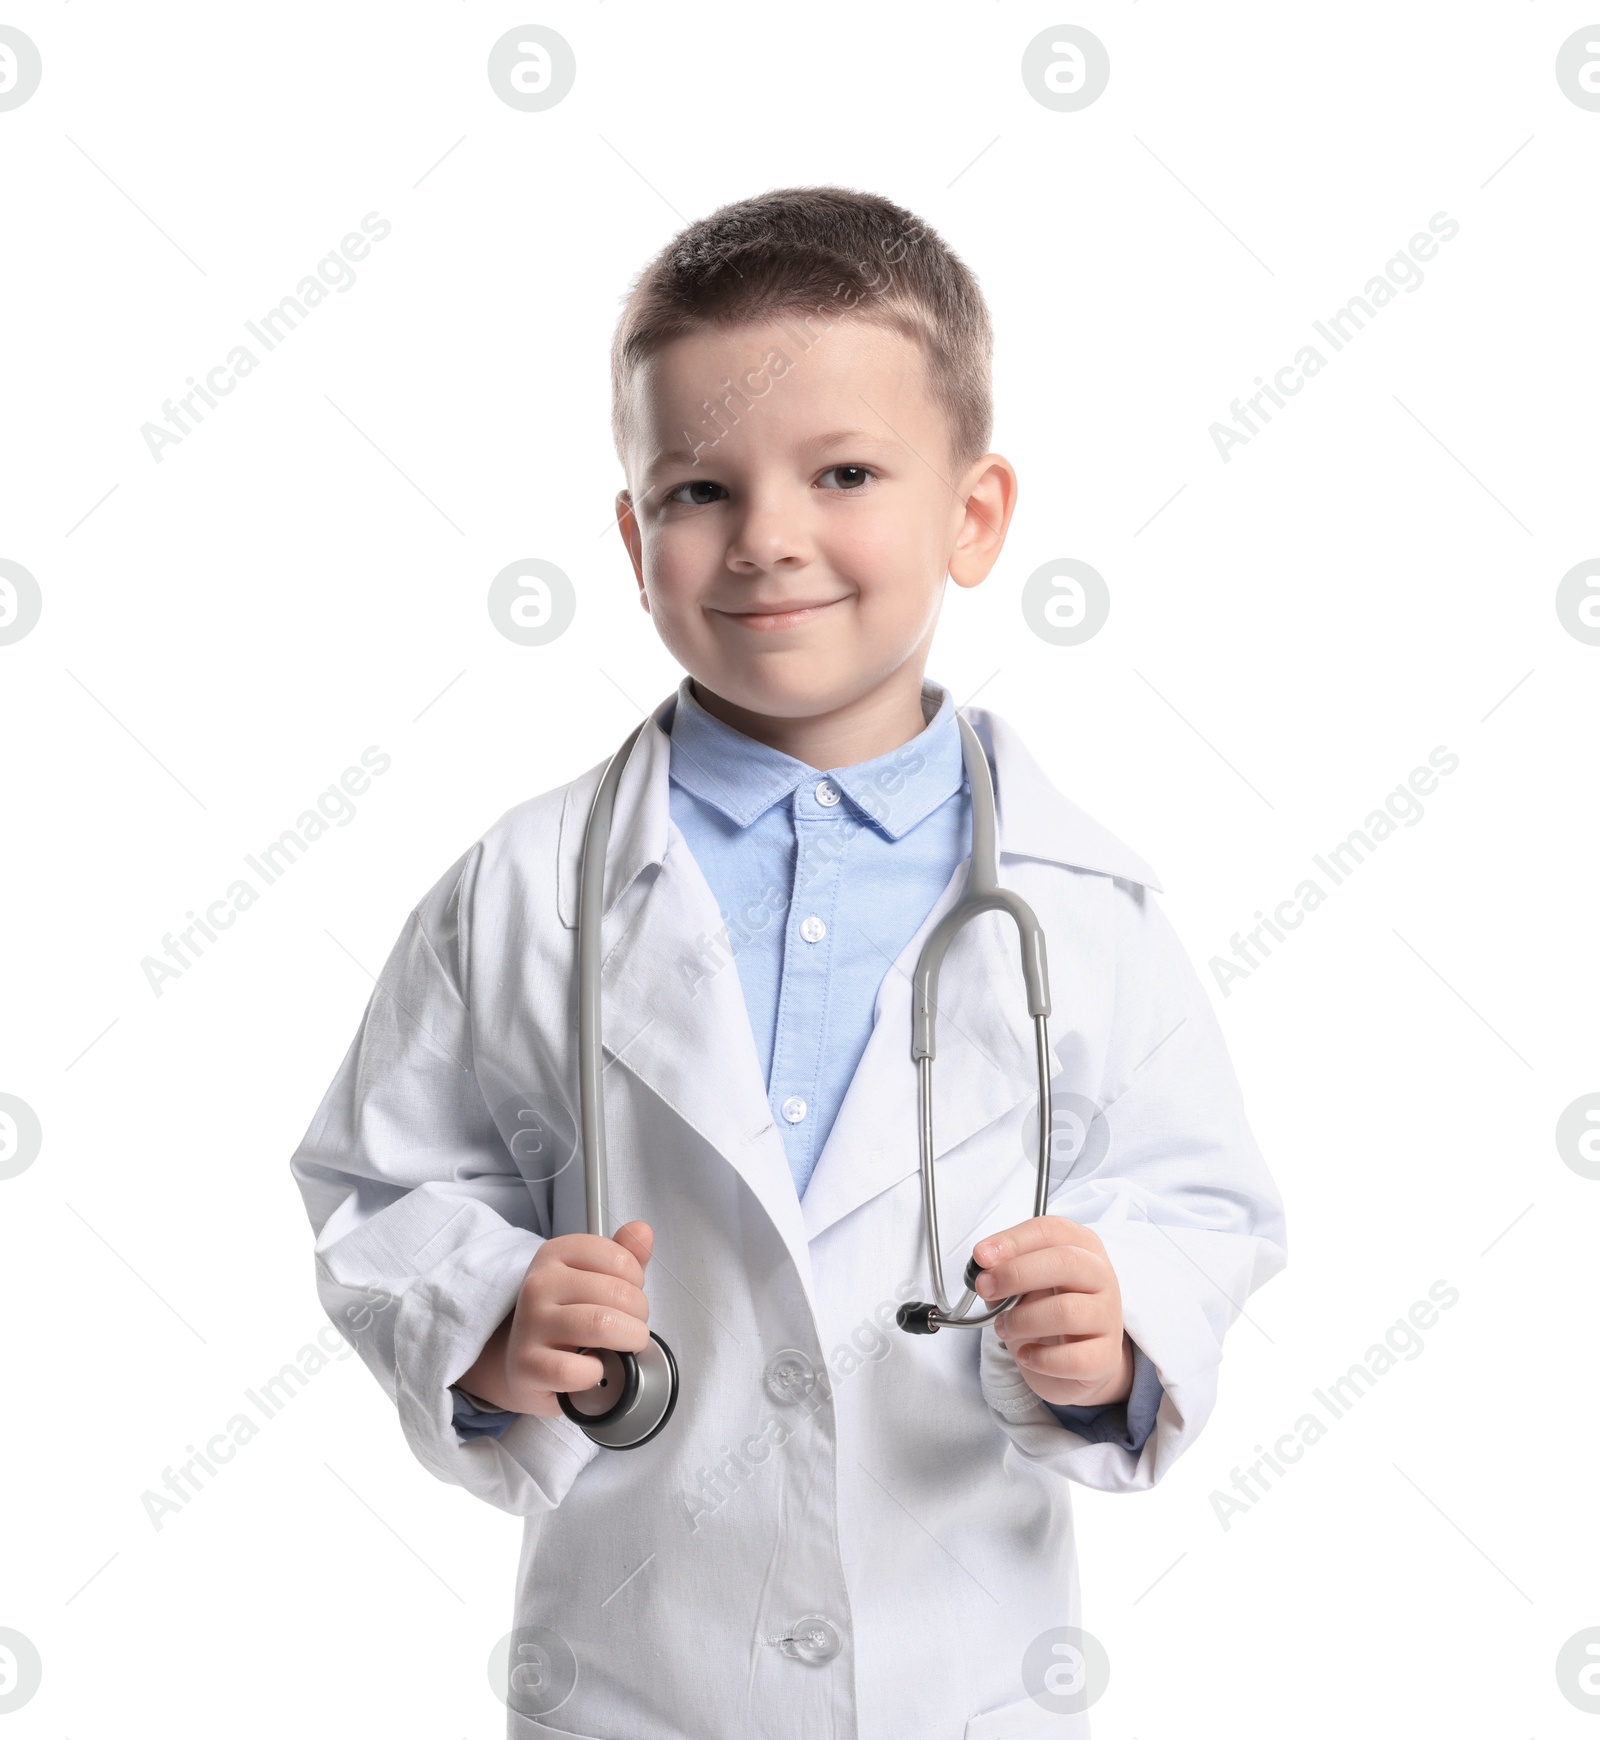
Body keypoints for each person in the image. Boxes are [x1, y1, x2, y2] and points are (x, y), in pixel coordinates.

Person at [289, 186, 1287, 1739]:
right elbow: (377, 1182)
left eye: (845, 473)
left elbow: (1198, 1199)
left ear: (975, 514)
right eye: (695, 489)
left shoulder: (1081, 900)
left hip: (969, 1679)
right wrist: (489, 1314)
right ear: (631, 539)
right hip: (631, 1681)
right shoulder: (523, 888)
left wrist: (1119, 1329)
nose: (766, 538)